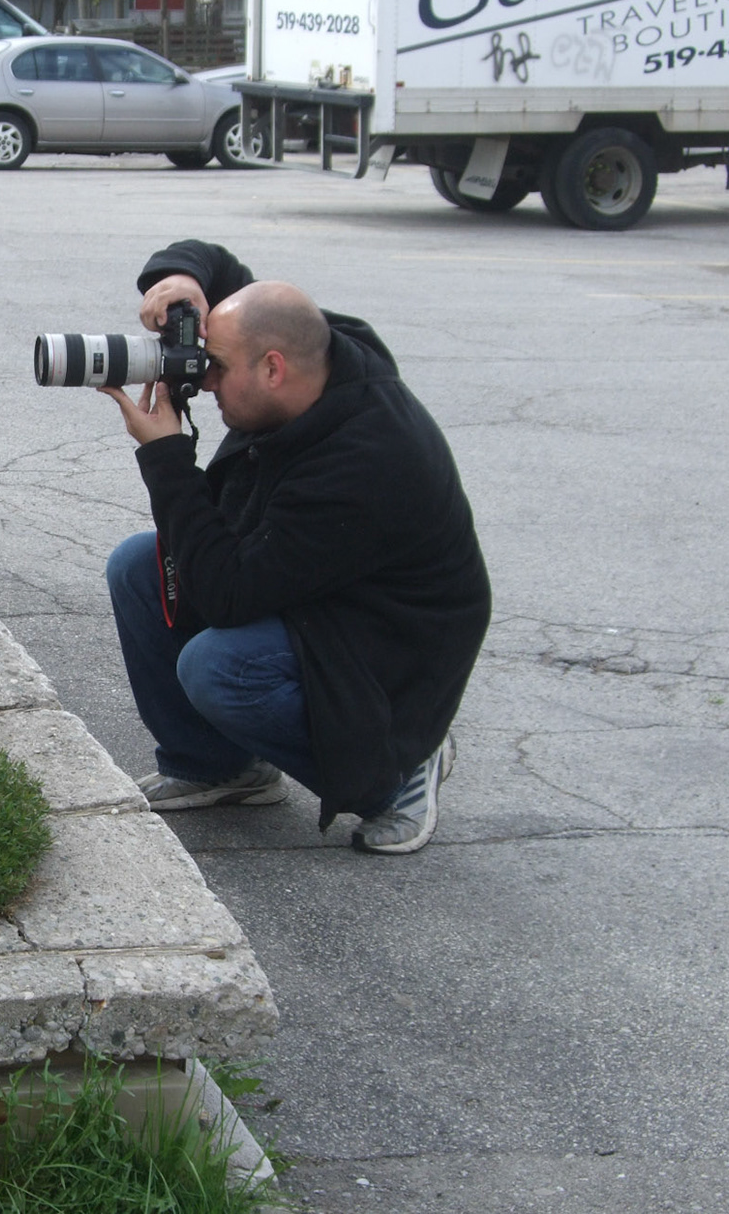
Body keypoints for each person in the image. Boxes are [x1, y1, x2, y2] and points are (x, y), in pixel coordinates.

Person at [102, 240, 490, 855]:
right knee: (137, 566)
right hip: (318, 580)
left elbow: (228, 595)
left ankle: (397, 770)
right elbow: (220, 269)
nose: (203, 378)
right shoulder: (314, 350)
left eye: (215, 365)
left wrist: (166, 458)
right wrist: (184, 281)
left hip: (386, 642)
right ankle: (218, 768)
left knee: (220, 667)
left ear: (273, 369)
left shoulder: (365, 464)